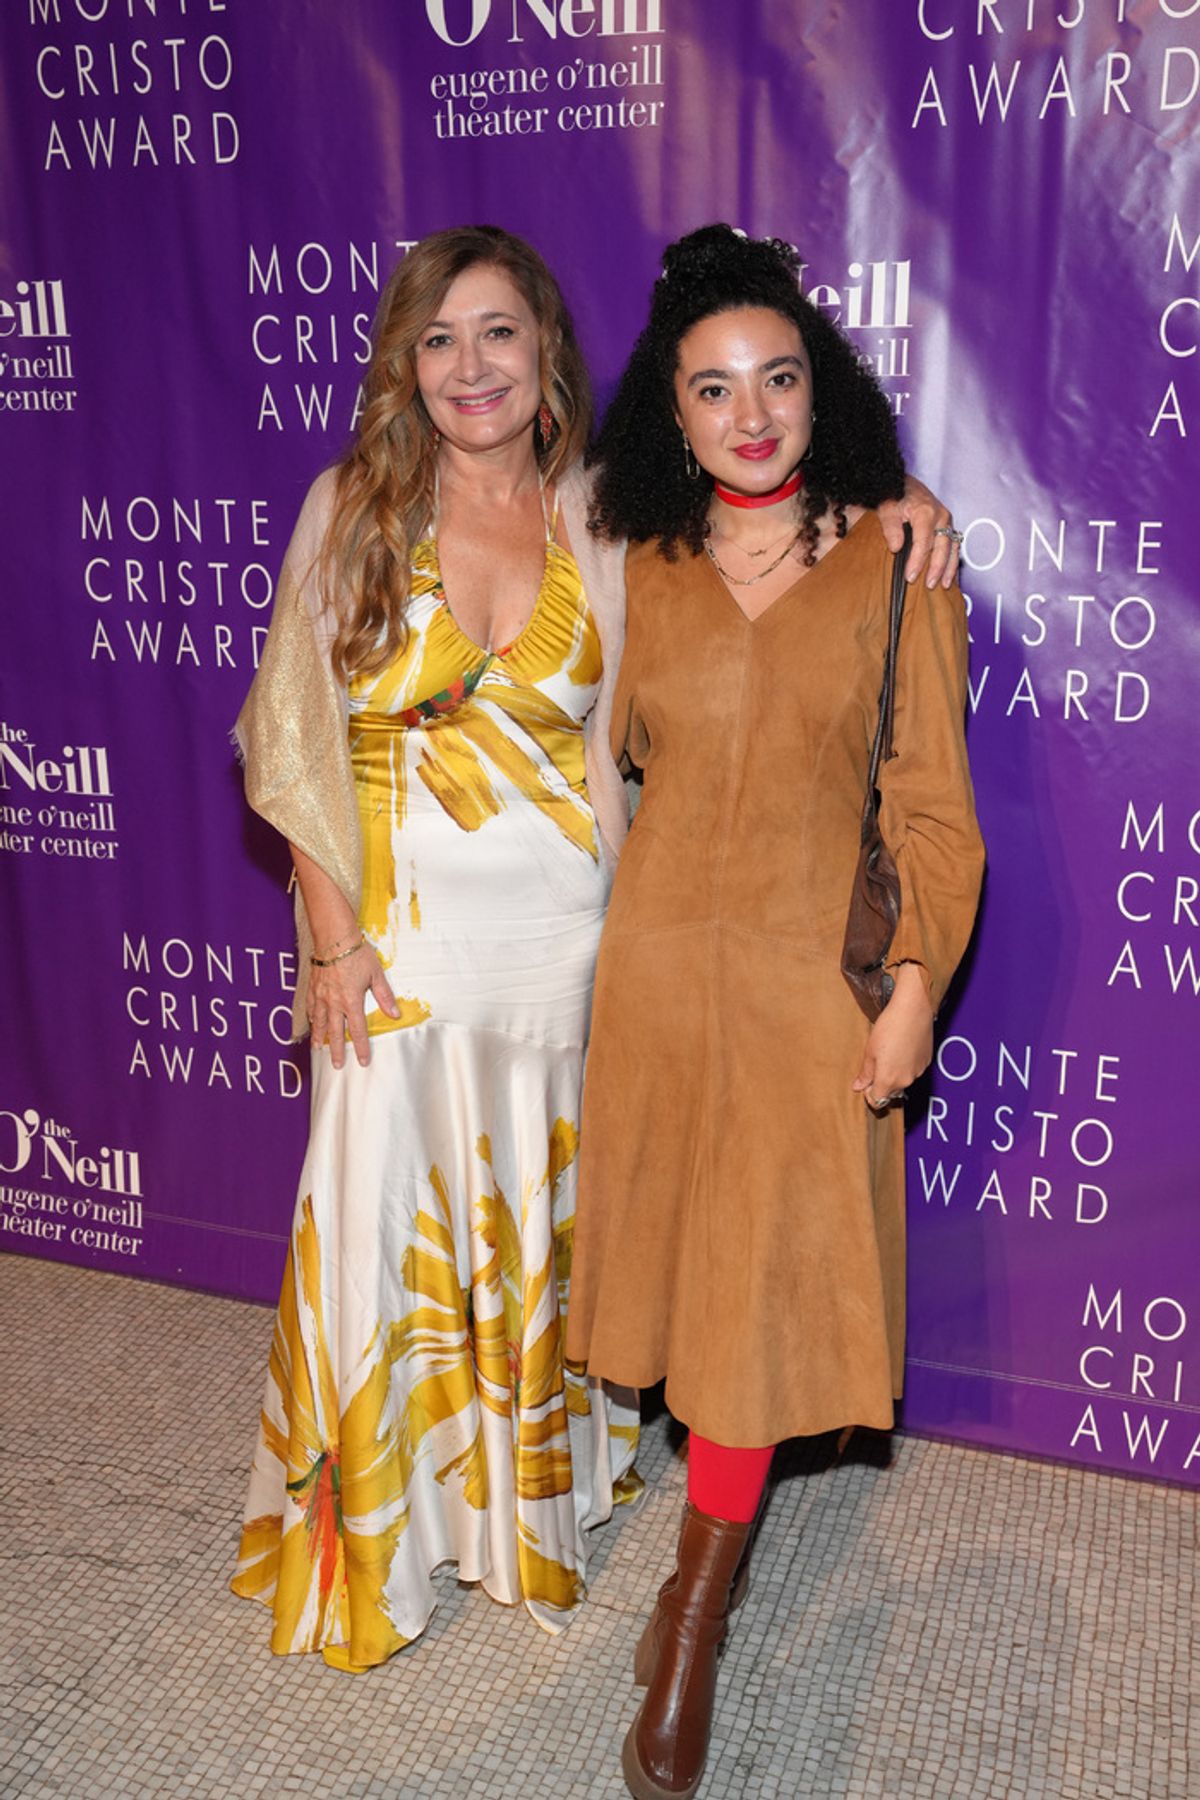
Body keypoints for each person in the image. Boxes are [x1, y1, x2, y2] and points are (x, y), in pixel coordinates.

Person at [230, 224, 958, 1675]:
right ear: (405, 364)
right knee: (383, 1240)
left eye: (497, 333)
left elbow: (771, 539)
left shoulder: (608, 525)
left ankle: (527, 1518)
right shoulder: (353, 509)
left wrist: (903, 494)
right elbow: (292, 730)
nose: (469, 366)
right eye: (438, 339)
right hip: (404, 954)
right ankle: (381, 1538)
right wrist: (329, 937)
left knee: (544, 1244)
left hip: (577, 952)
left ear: (547, 356)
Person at [564, 225, 985, 1799]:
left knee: (746, 1328)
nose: (751, 416)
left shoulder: (898, 562)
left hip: (816, 1003)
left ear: (826, 391)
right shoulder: (634, 564)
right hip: (662, 995)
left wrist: (918, 983)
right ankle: (694, 1578)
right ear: (670, 415)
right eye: (713, 389)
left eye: (779, 380)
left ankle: (689, 1617)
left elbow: (934, 810)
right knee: (681, 1305)